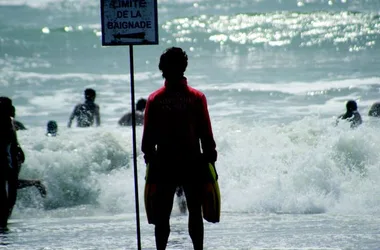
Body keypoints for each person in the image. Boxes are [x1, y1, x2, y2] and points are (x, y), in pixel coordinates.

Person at [142, 47, 217, 250]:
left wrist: (150, 160)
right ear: (184, 68)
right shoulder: (196, 97)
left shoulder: (155, 99)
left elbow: (147, 142)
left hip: (164, 163)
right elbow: (206, 135)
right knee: (195, 211)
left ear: (162, 69)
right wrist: (210, 158)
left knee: (162, 215)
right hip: (193, 162)